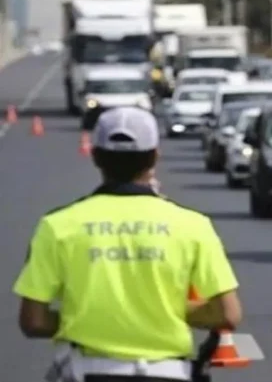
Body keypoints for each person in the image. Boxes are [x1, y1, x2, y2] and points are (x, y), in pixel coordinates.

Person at [13, 106, 243, 382]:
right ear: (155, 156)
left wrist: (89, 317)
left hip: (86, 371)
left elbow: (33, 321)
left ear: (96, 157)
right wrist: (160, 312)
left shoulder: (58, 225)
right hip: (168, 373)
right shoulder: (193, 225)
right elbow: (227, 314)